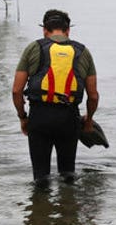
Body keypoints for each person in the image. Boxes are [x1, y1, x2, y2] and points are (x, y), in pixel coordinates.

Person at [13, 9, 100, 183]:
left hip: (39, 117)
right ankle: (68, 206)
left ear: (45, 30)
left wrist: (23, 118)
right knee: (68, 176)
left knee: (40, 178)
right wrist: (89, 120)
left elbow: (16, 91)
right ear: (68, 30)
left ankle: (39, 207)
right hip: (68, 119)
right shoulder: (83, 52)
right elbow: (93, 95)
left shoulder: (33, 48)